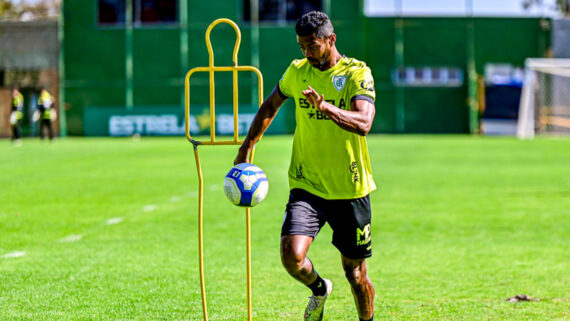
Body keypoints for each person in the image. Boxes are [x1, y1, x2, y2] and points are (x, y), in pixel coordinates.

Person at [234, 11, 376, 321]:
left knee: (356, 276)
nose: (306, 53)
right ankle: (319, 288)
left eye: (312, 46)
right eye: (301, 47)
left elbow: (364, 122)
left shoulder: (356, 74)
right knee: (292, 257)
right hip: (307, 184)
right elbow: (270, 105)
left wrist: (324, 107)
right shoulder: (297, 72)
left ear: (331, 40)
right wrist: (247, 146)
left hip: (349, 189)